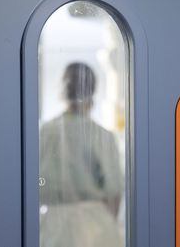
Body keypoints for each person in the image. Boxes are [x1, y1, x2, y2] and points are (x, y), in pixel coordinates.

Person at [39, 62, 123, 247]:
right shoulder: (101, 135)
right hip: (97, 227)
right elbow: (114, 190)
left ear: (63, 91)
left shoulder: (45, 132)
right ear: (92, 91)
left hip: (52, 228)